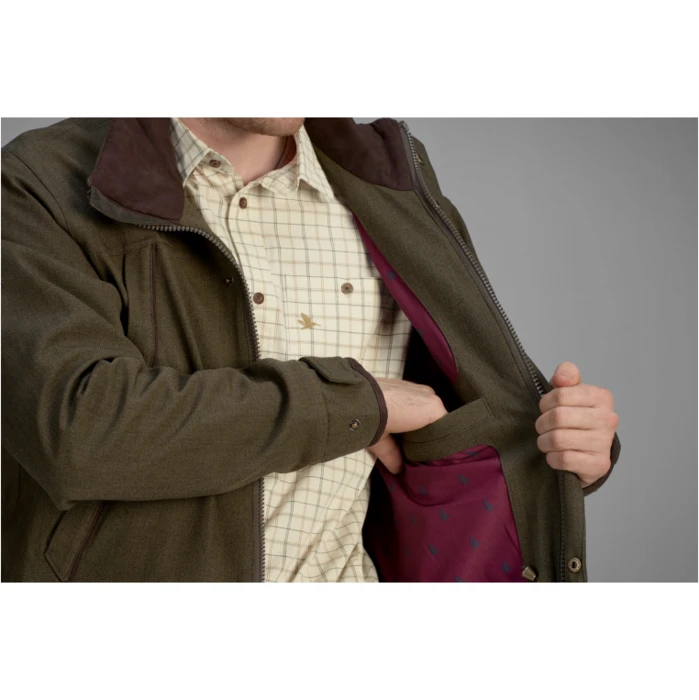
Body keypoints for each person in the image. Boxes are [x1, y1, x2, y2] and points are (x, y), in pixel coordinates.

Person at [1, 117, 620, 582]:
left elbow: (459, 412)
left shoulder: (384, 177)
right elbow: (79, 432)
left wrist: (561, 442)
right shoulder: (43, 178)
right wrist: (357, 402)